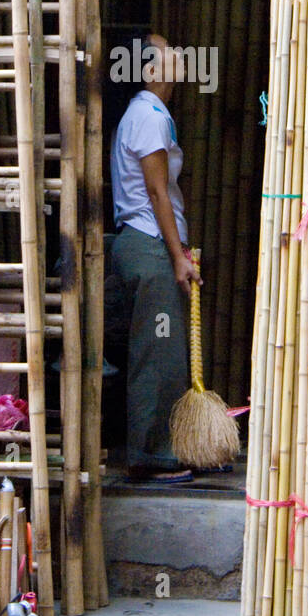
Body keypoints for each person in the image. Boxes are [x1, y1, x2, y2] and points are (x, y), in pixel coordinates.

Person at [109, 33, 201, 483]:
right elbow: (156, 191)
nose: (179, 54)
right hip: (149, 245)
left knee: (159, 348)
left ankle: (158, 448)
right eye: (169, 52)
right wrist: (177, 255)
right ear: (149, 72)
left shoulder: (150, 114)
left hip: (145, 243)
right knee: (158, 351)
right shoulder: (147, 114)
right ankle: (152, 454)